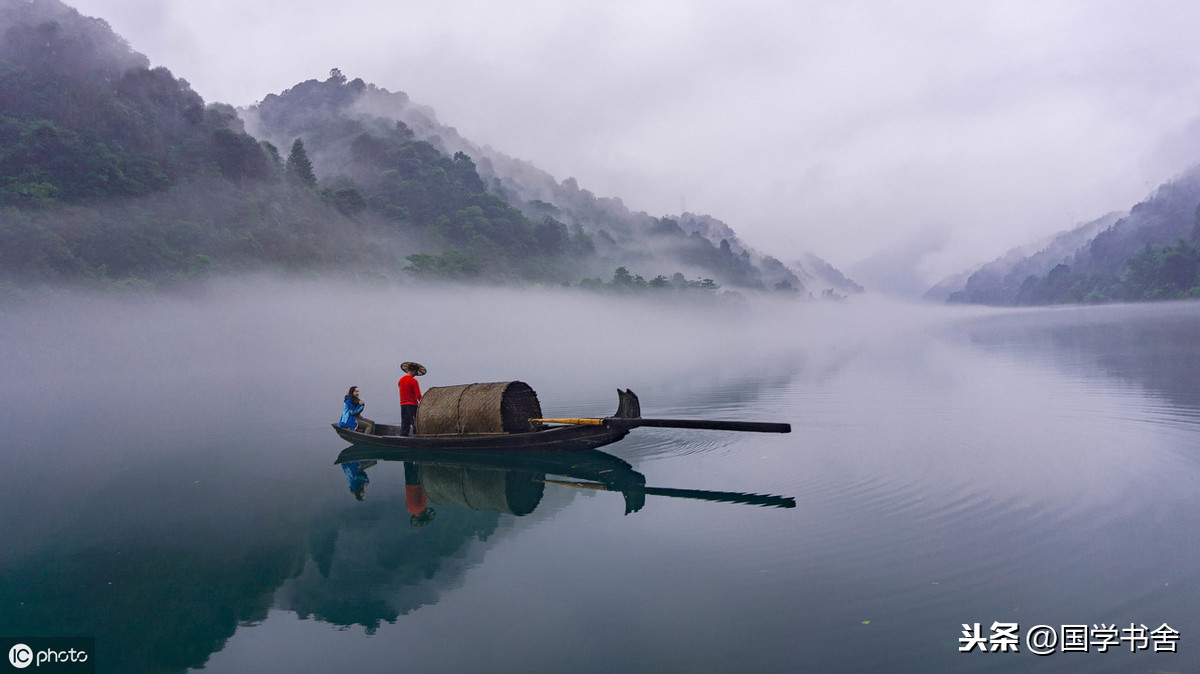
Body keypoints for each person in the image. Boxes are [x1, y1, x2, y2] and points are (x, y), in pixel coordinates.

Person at [397, 362, 425, 436]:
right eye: (415, 373)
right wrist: (423, 403)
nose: (415, 375)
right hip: (412, 405)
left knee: (405, 422)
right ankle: (417, 437)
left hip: (403, 405)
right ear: (413, 371)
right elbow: (418, 395)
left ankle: (403, 436)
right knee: (415, 423)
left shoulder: (400, 380)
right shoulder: (413, 381)